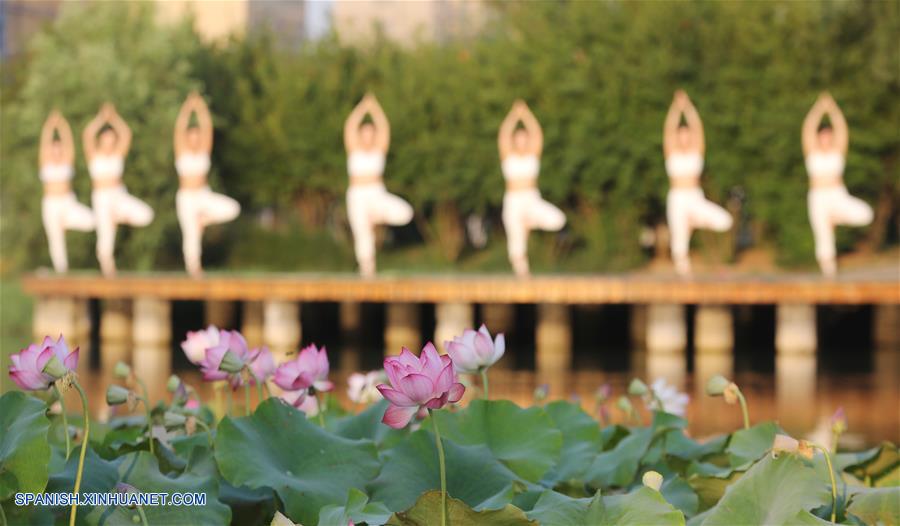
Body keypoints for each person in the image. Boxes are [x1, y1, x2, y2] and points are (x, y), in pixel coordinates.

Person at [802, 92, 872, 277]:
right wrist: (819, 108)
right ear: (819, 138)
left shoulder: (838, 151)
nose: (826, 139)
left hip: (837, 194)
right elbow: (808, 128)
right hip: (818, 197)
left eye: (829, 136)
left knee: (866, 214)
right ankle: (829, 275)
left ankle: (836, 217)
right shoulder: (811, 151)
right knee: (823, 238)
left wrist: (832, 108)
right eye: (823, 136)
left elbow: (841, 127)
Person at [663, 90, 732, 276]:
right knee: (679, 243)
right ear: (678, 137)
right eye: (681, 135)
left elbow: (698, 127)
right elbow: (669, 129)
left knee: (725, 221)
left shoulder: (696, 152)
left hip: (694, 197)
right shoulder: (671, 152)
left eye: (687, 134)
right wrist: (676, 108)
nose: (684, 138)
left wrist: (688, 107)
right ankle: (683, 275)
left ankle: (694, 220)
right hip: (677, 197)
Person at [343, 93, 413, 276]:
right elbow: (350, 126)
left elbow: (384, 127)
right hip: (357, 195)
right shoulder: (353, 148)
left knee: (406, 213)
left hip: (376, 194)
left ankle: (377, 216)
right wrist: (362, 107)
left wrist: (374, 108)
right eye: (364, 133)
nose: (368, 137)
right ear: (360, 135)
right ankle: (367, 268)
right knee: (362, 232)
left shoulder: (379, 149)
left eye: (370, 133)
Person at [174, 92, 240, 276]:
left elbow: (207, 126)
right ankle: (194, 268)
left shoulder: (204, 150)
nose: (194, 139)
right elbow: (179, 128)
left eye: (197, 136)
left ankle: (204, 219)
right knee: (191, 235)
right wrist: (188, 107)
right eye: (192, 135)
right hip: (186, 197)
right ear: (188, 138)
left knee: (233, 208)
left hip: (203, 194)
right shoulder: (181, 151)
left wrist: (201, 106)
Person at [83, 103, 154, 276]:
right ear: (101, 140)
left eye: (112, 139)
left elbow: (126, 133)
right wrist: (101, 118)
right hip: (101, 197)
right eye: (106, 139)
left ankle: (118, 217)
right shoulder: (93, 154)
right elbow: (87, 134)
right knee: (105, 238)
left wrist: (114, 118)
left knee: (146, 215)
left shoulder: (118, 154)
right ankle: (108, 268)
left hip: (118, 194)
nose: (109, 142)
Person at [498, 100, 566, 277]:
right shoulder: (507, 155)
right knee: (516, 244)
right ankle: (523, 275)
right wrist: (514, 115)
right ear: (514, 141)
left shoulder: (533, 153)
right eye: (518, 138)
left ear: (527, 140)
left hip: (531, 198)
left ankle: (529, 222)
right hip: (513, 199)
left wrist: (526, 114)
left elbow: (537, 133)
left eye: (524, 138)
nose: (521, 141)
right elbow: (503, 135)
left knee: (558, 220)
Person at [39, 110, 95, 272]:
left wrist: (62, 125)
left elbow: (69, 143)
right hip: (51, 203)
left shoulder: (67, 161)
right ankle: (61, 270)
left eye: (59, 148)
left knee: (91, 221)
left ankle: (66, 222)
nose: (56, 151)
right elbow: (44, 142)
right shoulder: (45, 162)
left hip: (67, 201)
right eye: (53, 148)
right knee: (55, 239)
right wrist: (50, 125)